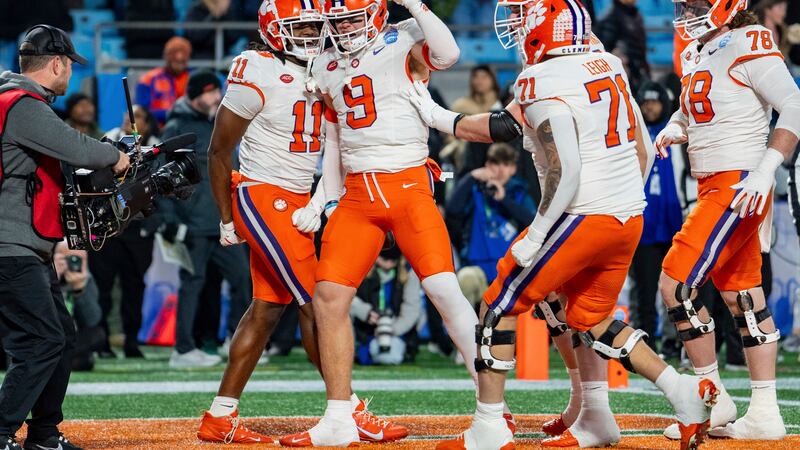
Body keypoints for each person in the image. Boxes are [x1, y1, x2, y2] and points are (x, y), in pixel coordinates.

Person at [411, 2, 722, 449]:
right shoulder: (606, 62)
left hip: (582, 214)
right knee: (590, 319)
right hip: (627, 215)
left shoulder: (540, 79)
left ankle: (490, 427)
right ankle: (682, 392)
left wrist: (536, 235)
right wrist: (439, 117)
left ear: (542, 29)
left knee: (498, 303)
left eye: (523, 19)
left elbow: (568, 170)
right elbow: (640, 144)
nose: (517, 28)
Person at [280, 0, 516, 446]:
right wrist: (324, 197)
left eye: (353, 16)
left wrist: (417, 7)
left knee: (445, 290)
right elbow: (333, 138)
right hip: (357, 196)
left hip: (407, 185)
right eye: (339, 19)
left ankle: (493, 408)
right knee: (327, 297)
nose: (346, 26)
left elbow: (447, 56)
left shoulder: (400, 37)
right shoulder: (326, 63)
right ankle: (337, 416)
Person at [200, 0, 406, 443]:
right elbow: (218, 150)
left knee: (267, 310)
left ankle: (219, 417)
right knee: (318, 304)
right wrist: (225, 217)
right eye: (301, 26)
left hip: (297, 198)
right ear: (273, 29)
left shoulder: (324, 64)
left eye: (315, 25)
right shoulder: (256, 66)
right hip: (263, 194)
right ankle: (348, 409)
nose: (310, 34)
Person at [656, 0, 800, 441]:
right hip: (713, 182)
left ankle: (711, 399)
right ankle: (763, 411)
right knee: (742, 298)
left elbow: (793, 104)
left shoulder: (748, 39)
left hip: (739, 183)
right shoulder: (699, 49)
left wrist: (765, 169)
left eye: (696, 4)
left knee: (674, 283)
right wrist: (677, 122)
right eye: (683, 4)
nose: (687, 11)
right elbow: (705, 105)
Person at [0, 24, 130, 450]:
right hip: (10, 247)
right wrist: (117, 154)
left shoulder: (15, 100)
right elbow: (76, 147)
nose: (70, 74)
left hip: (25, 247)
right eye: (69, 66)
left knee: (61, 333)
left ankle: (43, 434)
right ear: (56, 63)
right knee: (43, 339)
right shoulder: (24, 105)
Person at [158, 70, 246, 369]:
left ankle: (238, 343)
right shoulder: (177, 126)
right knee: (192, 285)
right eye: (209, 92)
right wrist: (168, 219)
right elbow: (161, 177)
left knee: (242, 280)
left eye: (216, 91)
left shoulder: (221, 122)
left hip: (224, 220)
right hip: (193, 223)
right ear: (195, 95)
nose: (216, 97)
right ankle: (182, 349)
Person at [629, 81, 683, 352]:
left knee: (676, 289)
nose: (649, 106)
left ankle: (675, 342)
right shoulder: (629, 134)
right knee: (644, 289)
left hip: (677, 222)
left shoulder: (678, 135)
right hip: (642, 223)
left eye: (655, 101)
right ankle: (644, 343)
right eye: (645, 101)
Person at [445, 143, 535, 282]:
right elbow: (452, 210)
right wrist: (471, 177)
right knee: (465, 279)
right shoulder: (475, 189)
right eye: (495, 163)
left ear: (513, 169)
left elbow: (532, 223)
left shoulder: (520, 192)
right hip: (477, 267)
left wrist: (504, 200)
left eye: (505, 164)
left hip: (511, 268)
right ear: (487, 165)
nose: (500, 170)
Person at [351, 247, 422, 365]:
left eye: (393, 260)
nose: (388, 264)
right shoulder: (359, 268)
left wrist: (390, 329)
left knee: (389, 357)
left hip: (396, 329)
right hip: (365, 327)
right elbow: (345, 299)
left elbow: (412, 308)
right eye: (384, 259)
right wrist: (366, 312)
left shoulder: (408, 272)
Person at [52, 242, 105, 372]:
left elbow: (93, 320)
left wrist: (79, 289)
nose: (73, 262)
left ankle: (55, 360)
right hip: (47, 335)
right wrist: (51, 280)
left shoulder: (87, 279)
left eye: (78, 258)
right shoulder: (42, 276)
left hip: (70, 339)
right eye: (67, 257)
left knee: (98, 335)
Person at [595, 0, 650, 93]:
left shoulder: (635, 15)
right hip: (624, 78)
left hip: (639, 74)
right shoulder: (610, 18)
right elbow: (604, 52)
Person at [136, 37, 192, 126]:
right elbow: (142, 111)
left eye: (183, 55)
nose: (179, 57)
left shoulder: (193, 78)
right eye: (174, 55)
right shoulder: (148, 79)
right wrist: (169, 114)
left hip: (187, 128)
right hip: (156, 130)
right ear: (166, 56)